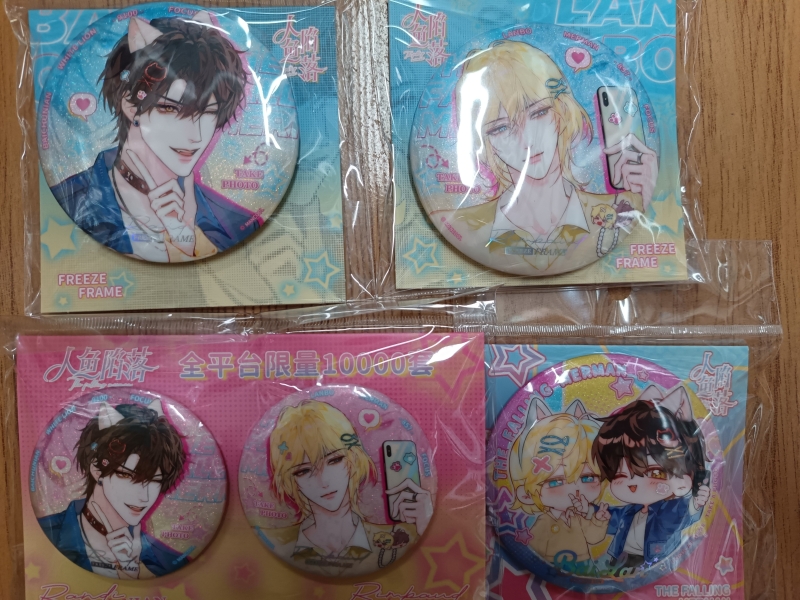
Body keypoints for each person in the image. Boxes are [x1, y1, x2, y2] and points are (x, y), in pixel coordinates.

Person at [51, 13, 259, 262]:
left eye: (209, 112)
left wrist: (189, 244)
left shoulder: (236, 223)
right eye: (170, 109)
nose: (195, 136)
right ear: (131, 105)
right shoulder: (69, 200)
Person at [442, 40, 658, 271]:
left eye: (539, 113)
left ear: (562, 111)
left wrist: (652, 203)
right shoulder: (458, 225)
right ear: (483, 142)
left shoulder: (622, 209)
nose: (527, 141)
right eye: (500, 128)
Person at [264, 400, 433, 575]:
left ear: (353, 459)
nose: (324, 481)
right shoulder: (278, 541)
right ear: (291, 480)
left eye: (334, 460)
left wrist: (424, 526)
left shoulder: (395, 538)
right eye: (303, 471)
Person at [37, 402, 188, 578]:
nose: (144, 497)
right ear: (97, 469)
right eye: (127, 476)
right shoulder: (42, 535)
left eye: (155, 481)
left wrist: (133, 579)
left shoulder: (171, 562)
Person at [571, 385, 711, 574]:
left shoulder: (667, 510)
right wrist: (589, 509)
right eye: (620, 475)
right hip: (620, 558)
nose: (633, 485)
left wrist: (696, 502)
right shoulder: (629, 511)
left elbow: (683, 514)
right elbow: (610, 515)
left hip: (654, 560)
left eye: (655, 473)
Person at [509, 399, 607, 576]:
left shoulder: (578, 517)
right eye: (555, 482)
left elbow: (594, 538)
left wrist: (598, 520)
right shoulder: (544, 522)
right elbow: (531, 552)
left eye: (587, 477)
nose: (575, 489)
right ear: (526, 494)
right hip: (552, 571)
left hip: (586, 568)